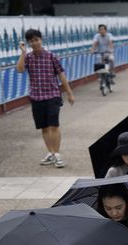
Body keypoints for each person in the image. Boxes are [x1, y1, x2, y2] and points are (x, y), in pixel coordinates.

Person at [16, 28, 75, 168]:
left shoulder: (51, 56)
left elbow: (61, 75)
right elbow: (19, 69)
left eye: (37, 40)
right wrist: (23, 53)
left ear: (41, 40)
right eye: (31, 41)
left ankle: (57, 154)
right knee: (43, 128)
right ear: (29, 43)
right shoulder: (28, 58)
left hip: (52, 95)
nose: (35, 43)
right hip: (36, 97)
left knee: (53, 126)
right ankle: (51, 153)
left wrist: (69, 93)